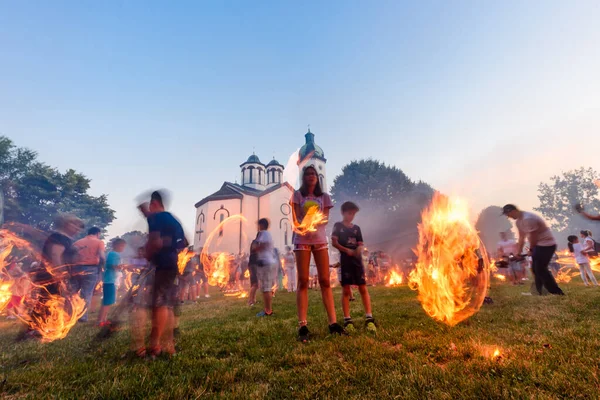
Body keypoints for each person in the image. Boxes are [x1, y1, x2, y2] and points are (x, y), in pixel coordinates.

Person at [292, 165, 344, 342]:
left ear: (317, 177)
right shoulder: (297, 195)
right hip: (302, 241)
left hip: (320, 240)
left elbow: (326, 218)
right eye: (307, 173)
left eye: (313, 173)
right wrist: (306, 223)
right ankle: (303, 326)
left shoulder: (325, 197)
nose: (311, 176)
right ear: (303, 177)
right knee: (303, 281)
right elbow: (296, 218)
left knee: (324, 280)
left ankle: (333, 323)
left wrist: (314, 218)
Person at [143, 190, 188, 357]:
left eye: (148, 206)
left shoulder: (156, 218)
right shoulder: (172, 219)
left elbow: (154, 242)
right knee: (166, 304)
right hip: (171, 263)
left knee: (159, 304)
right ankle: (169, 345)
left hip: (163, 264)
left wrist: (148, 255)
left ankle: (155, 345)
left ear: (154, 204)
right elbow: (183, 243)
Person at [331, 201, 376, 333]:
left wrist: (358, 249)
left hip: (357, 262)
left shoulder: (357, 228)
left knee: (363, 287)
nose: (351, 216)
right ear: (343, 212)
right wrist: (346, 250)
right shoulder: (337, 226)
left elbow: (361, 244)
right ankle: (347, 320)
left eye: (353, 214)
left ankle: (369, 318)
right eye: (349, 213)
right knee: (346, 290)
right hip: (345, 261)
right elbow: (334, 242)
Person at [502, 204, 564, 296]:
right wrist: (518, 253)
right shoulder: (519, 222)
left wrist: (531, 249)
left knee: (540, 269)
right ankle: (538, 292)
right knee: (536, 269)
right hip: (539, 246)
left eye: (508, 214)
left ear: (512, 211)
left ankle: (556, 292)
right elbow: (521, 238)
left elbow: (533, 236)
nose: (508, 217)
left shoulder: (528, 218)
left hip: (547, 245)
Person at [71, 227, 106, 322]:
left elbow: (71, 255)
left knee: (72, 292)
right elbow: (102, 256)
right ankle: (82, 317)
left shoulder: (78, 242)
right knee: (86, 293)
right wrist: (104, 266)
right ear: (98, 233)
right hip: (91, 269)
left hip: (75, 268)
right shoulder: (99, 242)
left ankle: (68, 315)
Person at [98, 238, 126, 325]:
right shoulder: (114, 254)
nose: (123, 248)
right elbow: (111, 265)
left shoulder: (112, 254)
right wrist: (122, 266)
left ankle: (103, 319)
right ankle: (100, 321)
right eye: (122, 246)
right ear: (116, 245)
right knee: (107, 301)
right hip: (111, 280)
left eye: (123, 246)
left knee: (108, 301)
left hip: (111, 280)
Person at [255, 218, 275, 317]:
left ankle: (268, 311)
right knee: (264, 288)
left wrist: (255, 248)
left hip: (266, 263)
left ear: (262, 225)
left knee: (266, 288)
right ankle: (267, 309)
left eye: (258, 225)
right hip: (264, 262)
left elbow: (263, 245)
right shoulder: (265, 234)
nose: (257, 227)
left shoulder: (264, 233)